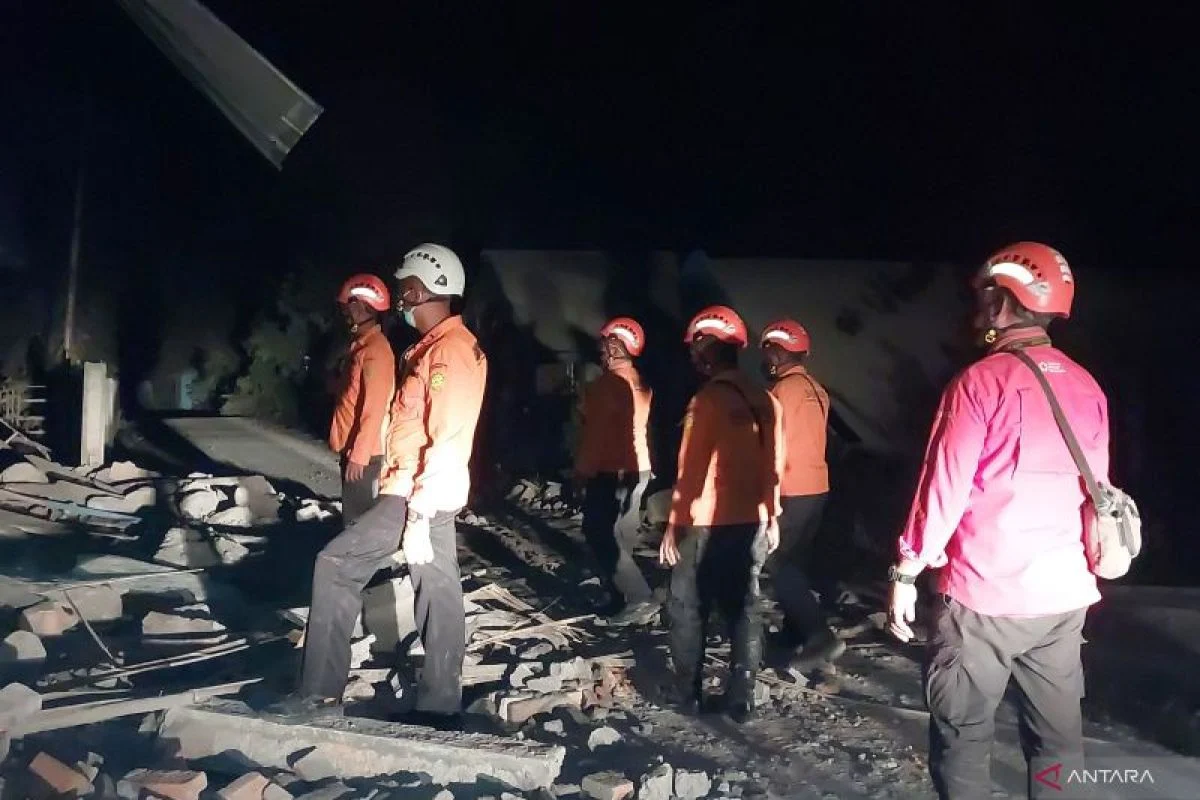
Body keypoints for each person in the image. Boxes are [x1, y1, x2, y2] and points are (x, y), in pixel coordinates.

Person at [886, 243, 1107, 799]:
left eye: (985, 296)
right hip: (1064, 596)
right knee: (1059, 744)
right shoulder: (1086, 385)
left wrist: (907, 571)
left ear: (1003, 303)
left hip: (986, 597)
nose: (978, 308)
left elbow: (944, 487)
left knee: (963, 735)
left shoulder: (980, 383)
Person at [274, 244, 487, 729]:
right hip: (421, 490)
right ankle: (439, 704)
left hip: (417, 492)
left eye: (405, 287)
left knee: (334, 564)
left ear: (421, 287)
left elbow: (447, 436)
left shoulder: (447, 353)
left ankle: (318, 697)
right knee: (437, 590)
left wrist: (416, 512)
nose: (402, 297)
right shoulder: (439, 347)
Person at [659, 305, 782, 723]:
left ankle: (686, 692)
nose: (693, 356)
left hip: (707, 521)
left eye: (697, 347)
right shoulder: (764, 399)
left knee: (685, 605)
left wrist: (674, 525)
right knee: (743, 606)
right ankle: (741, 694)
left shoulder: (707, 400)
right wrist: (773, 514)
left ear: (707, 349)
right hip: (750, 521)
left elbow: (691, 470)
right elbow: (774, 463)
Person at [759, 319, 845, 672]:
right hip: (816, 486)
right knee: (796, 564)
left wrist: (766, 494)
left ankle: (818, 635)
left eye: (767, 352)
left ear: (778, 352)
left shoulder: (780, 392)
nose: (765, 360)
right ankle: (794, 635)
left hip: (790, 487)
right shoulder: (816, 389)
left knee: (777, 565)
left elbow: (772, 447)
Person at [574, 317, 658, 626]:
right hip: (639, 467)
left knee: (602, 537)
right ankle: (621, 595)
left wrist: (582, 471)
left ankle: (639, 597)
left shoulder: (608, 385)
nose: (599, 348)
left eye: (604, 342)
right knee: (622, 535)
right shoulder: (639, 380)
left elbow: (596, 435)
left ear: (614, 346)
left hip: (612, 470)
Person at [329, 274, 396, 525]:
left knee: (359, 524)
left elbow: (374, 408)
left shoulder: (375, 351)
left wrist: (359, 455)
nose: (347, 313)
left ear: (363, 308)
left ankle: (364, 565)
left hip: (366, 455)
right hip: (355, 448)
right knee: (353, 520)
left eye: (351, 306)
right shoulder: (361, 347)